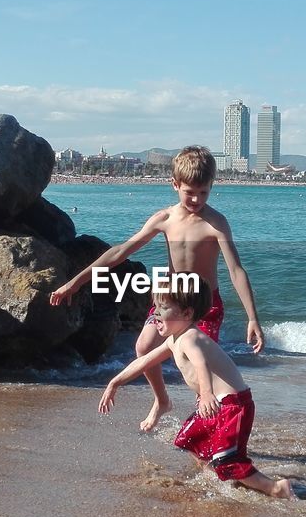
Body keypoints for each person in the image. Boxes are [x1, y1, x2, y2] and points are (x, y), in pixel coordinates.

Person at [50, 146, 265, 432]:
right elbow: (121, 252)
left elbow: (236, 270)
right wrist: (75, 283)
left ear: (211, 186)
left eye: (203, 192)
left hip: (204, 306)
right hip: (170, 302)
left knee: (198, 372)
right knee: (143, 346)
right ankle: (162, 401)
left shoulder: (216, 223)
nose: (196, 199)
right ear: (175, 184)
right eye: (190, 192)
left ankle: (212, 430)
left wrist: (252, 317)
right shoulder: (164, 219)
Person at [99, 282, 294, 499]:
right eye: (155, 306)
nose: (155, 313)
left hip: (232, 405)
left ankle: (275, 488)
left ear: (187, 312)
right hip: (216, 403)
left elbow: (201, 363)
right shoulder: (174, 340)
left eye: (162, 308)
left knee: (227, 459)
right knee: (189, 439)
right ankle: (219, 477)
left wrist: (206, 394)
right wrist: (114, 383)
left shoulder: (190, 338)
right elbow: (144, 360)